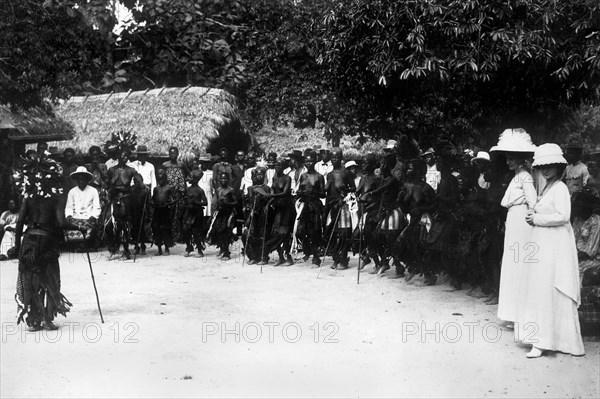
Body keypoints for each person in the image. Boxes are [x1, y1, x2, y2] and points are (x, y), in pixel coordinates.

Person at [515, 143, 584, 358]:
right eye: (542, 167)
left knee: (550, 288)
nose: (546, 171)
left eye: (550, 167)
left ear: (558, 167)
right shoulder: (548, 187)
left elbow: (563, 216)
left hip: (555, 246)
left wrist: (536, 218)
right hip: (545, 245)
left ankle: (552, 341)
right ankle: (542, 339)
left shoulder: (561, 188)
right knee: (541, 289)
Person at [11, 156, 87, 331]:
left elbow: (20, 222)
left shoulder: (28, 198)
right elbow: (61, 223)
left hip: (28, 241)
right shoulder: (57, 198)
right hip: (46, 242)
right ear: (54, 178)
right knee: (49, 278)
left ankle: (33, 320)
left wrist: (16, 245)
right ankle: (47, 319)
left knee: (30, 279)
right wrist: (79, 227)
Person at [490, 128, 537, 325]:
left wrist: (530, 216)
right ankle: (512, 313)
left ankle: (520, 314)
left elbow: (532, 201)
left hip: (521, 221)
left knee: (519, 263)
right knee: (511, 264)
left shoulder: (525, 176)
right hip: (513, 218)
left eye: (511, 158)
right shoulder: (516, 176)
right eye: (507, 158)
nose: (508, 162)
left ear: (519, 159)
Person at [105, 149, 145, 259]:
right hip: (113, 198)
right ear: (118, 156)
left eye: (126, 156)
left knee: (126, 224)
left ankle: (126, 248)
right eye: (123, 156)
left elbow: (139, 181)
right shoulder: (111, 170)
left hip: (126, 198)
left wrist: (141, 186)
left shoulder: (131, 170)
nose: (125, 158)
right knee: (108, 222)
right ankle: (113, 246)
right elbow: (107, 183)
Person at [324, 148, 356, 270]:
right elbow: (327, 192)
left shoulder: (346, 173)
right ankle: (335, 258)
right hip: (333, 206)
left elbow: (353, 188)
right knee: (332, 233)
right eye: (332, 157)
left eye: (336, 157)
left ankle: (343, 259)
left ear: (341, 158)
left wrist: (345, 193)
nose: (334, 159)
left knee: (343, 233)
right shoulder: (330, 174)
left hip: (343, 206)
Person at [296, 152, 326, 266]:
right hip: (304, 206)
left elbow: (323, 194)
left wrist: (314, 192)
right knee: (300, 231)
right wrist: (300, 193)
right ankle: (307, 251)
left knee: (314, 232)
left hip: (314, 206)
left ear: (315, 161)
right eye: (306, 161)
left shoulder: (319, 176)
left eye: (311, 161)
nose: (308, 163)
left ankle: (316, 256)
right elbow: (299, 189)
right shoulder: (303, 175)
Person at [265, 158, 296, 266]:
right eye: (276, 165)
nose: (277, 167)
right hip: (277, 207)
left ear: (283, 167)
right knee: (275, 231)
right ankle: (280, 257)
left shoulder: (287, 178)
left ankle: (288, 256)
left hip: (286, 207)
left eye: (279, 166)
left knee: (285, 233)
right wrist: (270, 199)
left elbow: (285, 192)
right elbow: (273, 189)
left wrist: (272, 196)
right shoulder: (274, 177)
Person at [64, 166, 101, 248]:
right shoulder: (72, 191)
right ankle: (77, 242)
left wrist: (93, 216)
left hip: (89, 217)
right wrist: (69, 216)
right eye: (79, 179)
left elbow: (97, 207)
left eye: (83, 178)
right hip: (76, 217)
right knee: (69, 224)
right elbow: (69, 207)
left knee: (91, 226)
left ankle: (86, 242)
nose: (81, 181)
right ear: (76, 180)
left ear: (87, 179)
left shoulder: (93, 191)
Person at [129, 145, 156, 255]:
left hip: (146, 194)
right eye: (140, 155)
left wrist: (152, 195)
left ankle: (144, 243)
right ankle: (136, 243)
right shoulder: (132, 165)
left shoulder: (151, 166)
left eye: (144, 155)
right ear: (137, 155)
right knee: (135, 219)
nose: (142, 157)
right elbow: (130, 181)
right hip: (135, 194)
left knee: (145, 219)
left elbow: (153, 182)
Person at [242, 167, 271, 265]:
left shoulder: (266, 188)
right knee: (252, 234)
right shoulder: (250, 188)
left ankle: (264, 256)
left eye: (261, 174)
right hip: (253, 214)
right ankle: (254, 256)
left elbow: (269, 200)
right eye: (257, 174)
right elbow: (249, 201)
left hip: (263, 214)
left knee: (263, 235)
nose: (259, 176)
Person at [208, 172, 238, 260]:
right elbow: (214, 202)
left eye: (225, 179)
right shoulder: (218, 190)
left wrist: (227, 203)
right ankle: (222, 248)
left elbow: (236, 203)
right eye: (222, 179)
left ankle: (226, 253)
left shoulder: (231, 190)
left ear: (228, 180)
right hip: (219, 213)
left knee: (225, 232)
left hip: (228, 213)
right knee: (217, 231)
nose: (223, 180)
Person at [162, 146, 189, 243]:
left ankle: (179, 236)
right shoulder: (165, 165)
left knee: (179, 215)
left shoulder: (182, 165)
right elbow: (161, 177)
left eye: (174, 153)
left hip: (180, 193)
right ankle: (170, 237)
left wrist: (183, 184)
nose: (172, 155)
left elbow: (189, 175)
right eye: (171, 153)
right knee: (169, 215)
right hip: (169, 194)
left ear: (177, 154)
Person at [182, 170, 208, 257]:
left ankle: (200, 250)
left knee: (195, 232)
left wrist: (197, 203)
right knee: (185, 230)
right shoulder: (187, 189)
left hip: (197, 213)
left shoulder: (200, 190)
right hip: (188, 212)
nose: (188, 179)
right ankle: (189, 247)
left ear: (196, 179)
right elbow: (185, 200)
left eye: (190, 177)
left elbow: (205, 203)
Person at [152, 169, 175, 256]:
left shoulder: (169, 188)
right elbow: (153, 199)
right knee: (156, 228)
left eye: (162, 179)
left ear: (165, 179)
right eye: (159, 179)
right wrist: (152, 203)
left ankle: (167, 248)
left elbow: (174, 199)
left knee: (165, 229)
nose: (160, 181)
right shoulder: (156, 189)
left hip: (165, 210)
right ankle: (159, 249)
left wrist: (169, 204)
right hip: (157, 210)